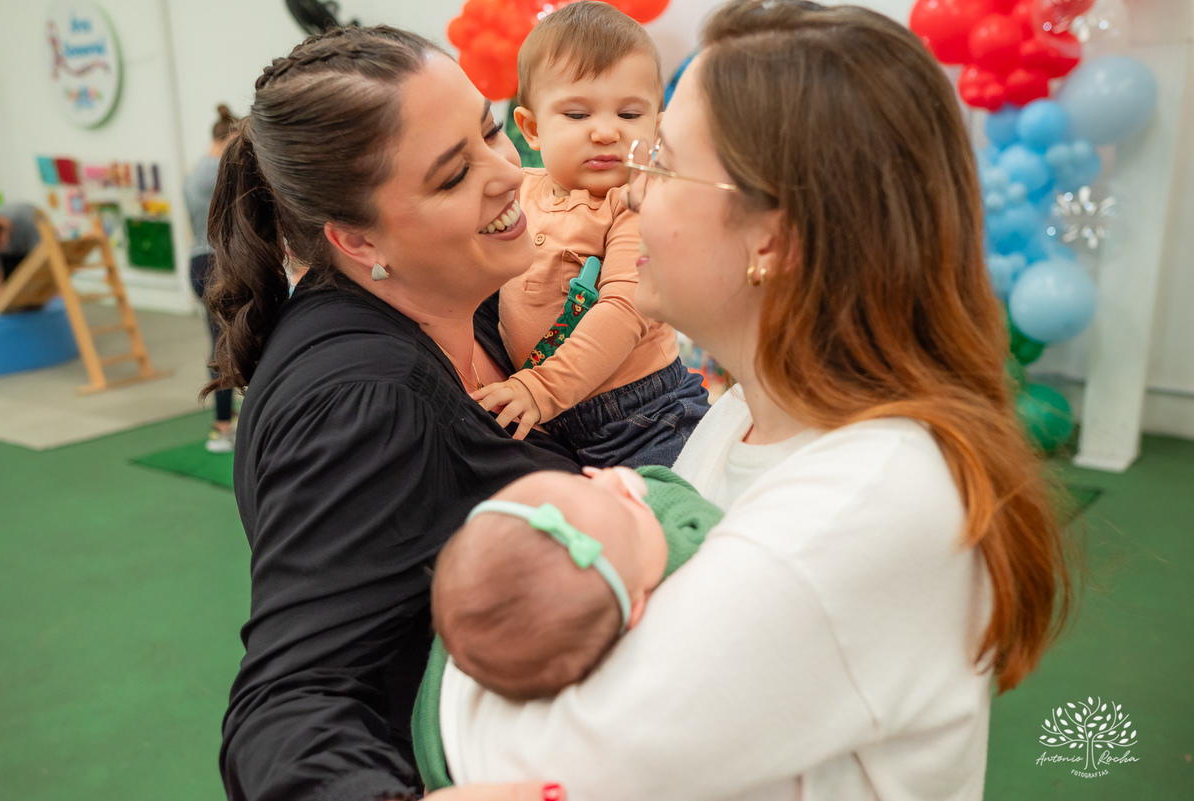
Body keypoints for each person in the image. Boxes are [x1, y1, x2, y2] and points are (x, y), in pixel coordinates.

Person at [436, 1, 1073, 799]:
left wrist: (464, 643)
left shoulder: (865, 499)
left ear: (771, 237)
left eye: (659, 160)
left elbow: (536, 764)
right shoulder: (745, 414)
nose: (630, 195)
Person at [203, 26, 583, 801]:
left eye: (489, 128)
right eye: (451, 178)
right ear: (355, 238)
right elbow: (286, 705)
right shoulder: (365, 402)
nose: (509, 171)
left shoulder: (458, 308)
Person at [471, 1, 709, 467]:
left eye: (628, 115)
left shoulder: (635, 204)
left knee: (667, 518)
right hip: (553, 414)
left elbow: (623, 310)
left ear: (656, 129)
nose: (605, 133)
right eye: (578, 115)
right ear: (532, 128)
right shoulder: (521, 191)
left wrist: (540, 388)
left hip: (645, 416)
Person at [412, 464, 723, 790]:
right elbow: (703, 526)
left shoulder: (460, 678)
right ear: (634, 611)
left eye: (581, 480)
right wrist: (648, 487)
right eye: (628, 508)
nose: (606, 480)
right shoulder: (682, 571)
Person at [184, 104, 237, 452]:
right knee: (225, 345)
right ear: (228, 137)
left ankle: (225, 424)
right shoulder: (218, 169)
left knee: (225, 342)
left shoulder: (196, 171)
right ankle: (222, 426)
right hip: (215, 262)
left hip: (203, 262)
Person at [0, 202, 41, 300]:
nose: (1, 251)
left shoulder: (28, 218)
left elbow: (42, 255)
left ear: (1, 235)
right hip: (13, 258)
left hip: (32, 252)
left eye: (0, 248)